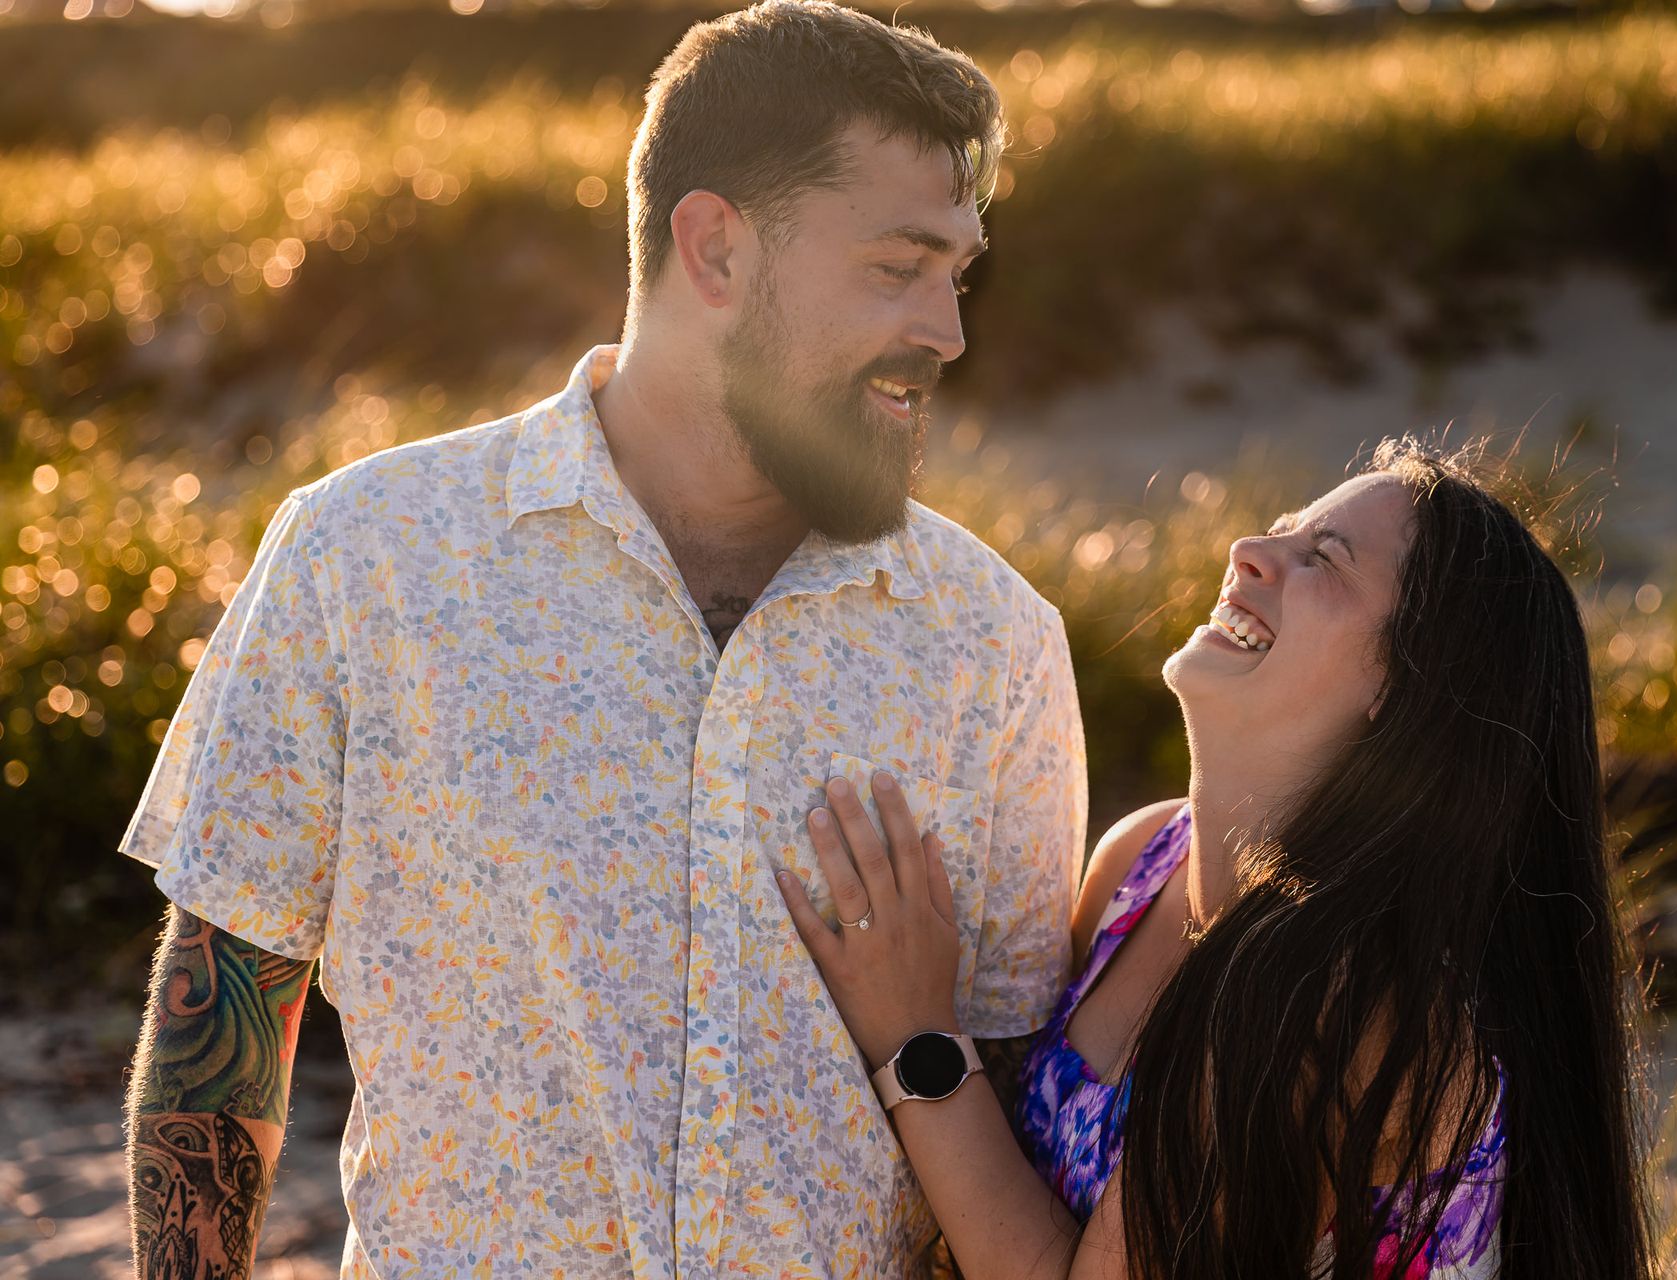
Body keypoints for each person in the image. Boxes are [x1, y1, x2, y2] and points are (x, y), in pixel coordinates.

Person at [119, 4, 1086, 1276]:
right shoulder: (368, 557)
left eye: (956, 274)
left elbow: (1006, 1114)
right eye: (899, 266)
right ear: (715, 248)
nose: (948, 330)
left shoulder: (994, 643)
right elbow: (219, 1035)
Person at [779, 440, 1657, 1280]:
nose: (1248, 551)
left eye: (1325, 559)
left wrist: (915, 1035)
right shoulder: (1141, 860)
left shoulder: (1339, 1001)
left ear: (1408, 689)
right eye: (1280, 529)